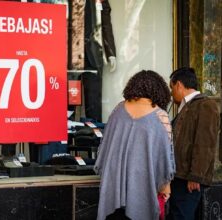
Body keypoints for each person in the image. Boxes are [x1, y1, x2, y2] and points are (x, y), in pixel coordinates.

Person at [94, 70, 175, 220]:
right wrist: (165, 186)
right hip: (145, 185)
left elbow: (104, 146)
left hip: (115, 183)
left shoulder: (117, 110)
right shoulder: (160, 116)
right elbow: (165, 157)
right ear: (159, 91)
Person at [167, 67, 220, 220]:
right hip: (180, 176)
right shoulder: (187, 106)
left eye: (172, 88)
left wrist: (196, 176)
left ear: (178, 85)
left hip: (189, 179)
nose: (172, 94)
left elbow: (205, 143)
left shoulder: (205, 105)